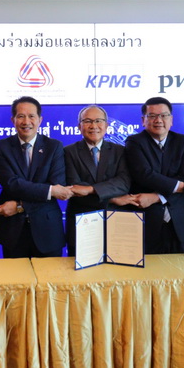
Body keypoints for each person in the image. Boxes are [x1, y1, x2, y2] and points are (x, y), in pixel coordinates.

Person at [0, 96, 73, 258]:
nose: (26, 121)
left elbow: (57, 184)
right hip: (13, 231)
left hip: (47, 229)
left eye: (31, 116)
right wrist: (49, 190)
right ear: (13, 120)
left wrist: (20, 205)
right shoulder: (1, 147)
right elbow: (12, 184)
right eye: (21, 116)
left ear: (40, 120)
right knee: (15, 275)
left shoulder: (54, 146)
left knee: (50, 275)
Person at [124, 97, 184, 254]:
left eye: (164, 115)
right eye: (152, 116)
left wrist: (157, 197)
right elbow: (145, 175)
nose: (158, 120)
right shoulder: (134, 142)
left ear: (171, 120)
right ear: (143, 120)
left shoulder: (183, 141)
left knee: (180, 267)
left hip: (179, 220)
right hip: (147, 220)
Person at [64, 105, 132, 256]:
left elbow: (123, 183)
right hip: (82, 223)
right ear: (79, 126)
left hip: (116, 223)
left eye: (98, 121)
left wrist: (90, 189)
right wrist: (112, 198)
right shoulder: (68, 152)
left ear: (106, 126)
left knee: (117, 268)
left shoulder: (120, 151)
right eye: (87, 121)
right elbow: (74, 187)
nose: (93, 126)